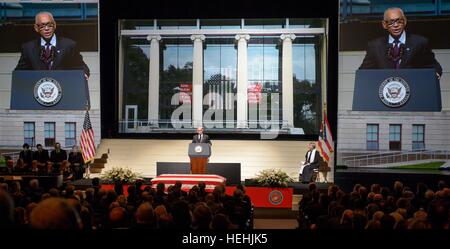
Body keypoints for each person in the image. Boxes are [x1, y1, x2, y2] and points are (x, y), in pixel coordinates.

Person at [359, 7, 442, 79]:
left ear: (405, 21)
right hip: (386, 92)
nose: (396, 25)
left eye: (399, 21)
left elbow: (434, 66)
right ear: (384, 24)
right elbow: (363, 72)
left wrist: (436, 74)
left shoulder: (420, 43)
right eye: (391, 22)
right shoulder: (375, 46)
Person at [15, 11, 90, 79]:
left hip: (64, 87)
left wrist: (84, 73)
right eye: (42, 26)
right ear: (36, 28)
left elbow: (81, 67)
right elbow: (19, 72)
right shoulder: (28, 48)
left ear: (55, 25)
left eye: (49, 25)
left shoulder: (69, 45)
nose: (46, 29)